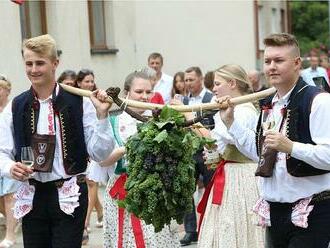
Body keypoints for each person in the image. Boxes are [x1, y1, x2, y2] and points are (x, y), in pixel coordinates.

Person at [0, 34, 115, 248]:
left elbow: (100, 154)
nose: (33, 69)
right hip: (32, 195)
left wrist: (102, 117)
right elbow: (2, 151)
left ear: (55, 63)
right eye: (29, 63)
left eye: (40, 63)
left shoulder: (80, 102)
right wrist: (9, 168)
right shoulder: (16, 105)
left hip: (69, 193)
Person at [220, 33, 330, 248]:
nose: (271, 67)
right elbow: (261, 154)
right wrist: (231, 122)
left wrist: (290, 147)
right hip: (274, 211)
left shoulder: (319, 101)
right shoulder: (269, 103)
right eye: (268, 61)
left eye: (279, 60)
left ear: (297, 63)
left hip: (313, 210)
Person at [187, 64, 264, 248]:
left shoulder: (244, 110)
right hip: (230, 175)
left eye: (217, 83)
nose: (213, 89)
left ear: (232, 83)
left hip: (242, 177)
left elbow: (220, 138)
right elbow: (217, 146)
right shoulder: (235, 108)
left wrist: (190, 118)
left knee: (238, 227)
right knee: (226, 226)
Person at [101, 71, 180, 247]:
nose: (144, 97)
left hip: (154, 190)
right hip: (122, 190)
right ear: (126, 93)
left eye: (148, 92)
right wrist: (127, 147)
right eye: (139, 92)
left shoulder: (160, 121)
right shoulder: (113, 122)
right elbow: (102, 161)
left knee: (154, 239)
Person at [179, 66, 215, 246]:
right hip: (189, 152)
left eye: (191, 80)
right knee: (186, 191)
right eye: (186, 80)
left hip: (207, 151)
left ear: (200, 79)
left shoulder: (212, 99)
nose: (188, 83)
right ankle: (190, 230)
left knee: (210, 189)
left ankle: (209, 225)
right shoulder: (183, 100)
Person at [74, 69, 106, 245]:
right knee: (89, 182)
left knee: (92, 182)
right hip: (85, 146)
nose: (90, 84)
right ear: (79, 83)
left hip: (95, 144)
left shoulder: (96, 97)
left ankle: (85, 221)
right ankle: (98, 211)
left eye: (91, 81)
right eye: (86, 81)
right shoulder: (76, 100)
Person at [0, 76, 21, 248]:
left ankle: (10, 235)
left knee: (9, 196)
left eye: (0, 88)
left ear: (7, 90)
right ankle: (16, 218)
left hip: (11, 159)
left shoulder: (13, 108)